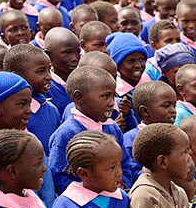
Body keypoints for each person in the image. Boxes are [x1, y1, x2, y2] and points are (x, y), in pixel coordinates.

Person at [49, 66, 134, 194]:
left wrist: (122, 184)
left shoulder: (112, 127)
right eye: (105, 96)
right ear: (79, 97)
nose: (112, 103)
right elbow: (59, 178)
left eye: (113, 96)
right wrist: (95, 190)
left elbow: (125, 164)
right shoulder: (67, 132)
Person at [0, 71, 56, 208]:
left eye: (29, 104)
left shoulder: (29, 140)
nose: (28, 110)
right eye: (21, 104)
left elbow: (47, 188)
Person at [3, 44, 59, 155]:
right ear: (17, 76)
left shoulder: (51, 109)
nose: (49, 77)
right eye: (40, 71)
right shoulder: (14, 114)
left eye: (49, 70)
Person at [123, 81, 177, 180]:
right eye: (166, 106)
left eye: (174, 105)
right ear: (145, 111)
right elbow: (131, 173)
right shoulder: (132, 138)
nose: (173, 110)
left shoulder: (176, 135)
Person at [45, 27, 82, 115]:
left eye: (78, 52)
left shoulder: (84, 82)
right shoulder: (45, 88)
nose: (75, 58)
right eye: (67, 52)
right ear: (48, 55)